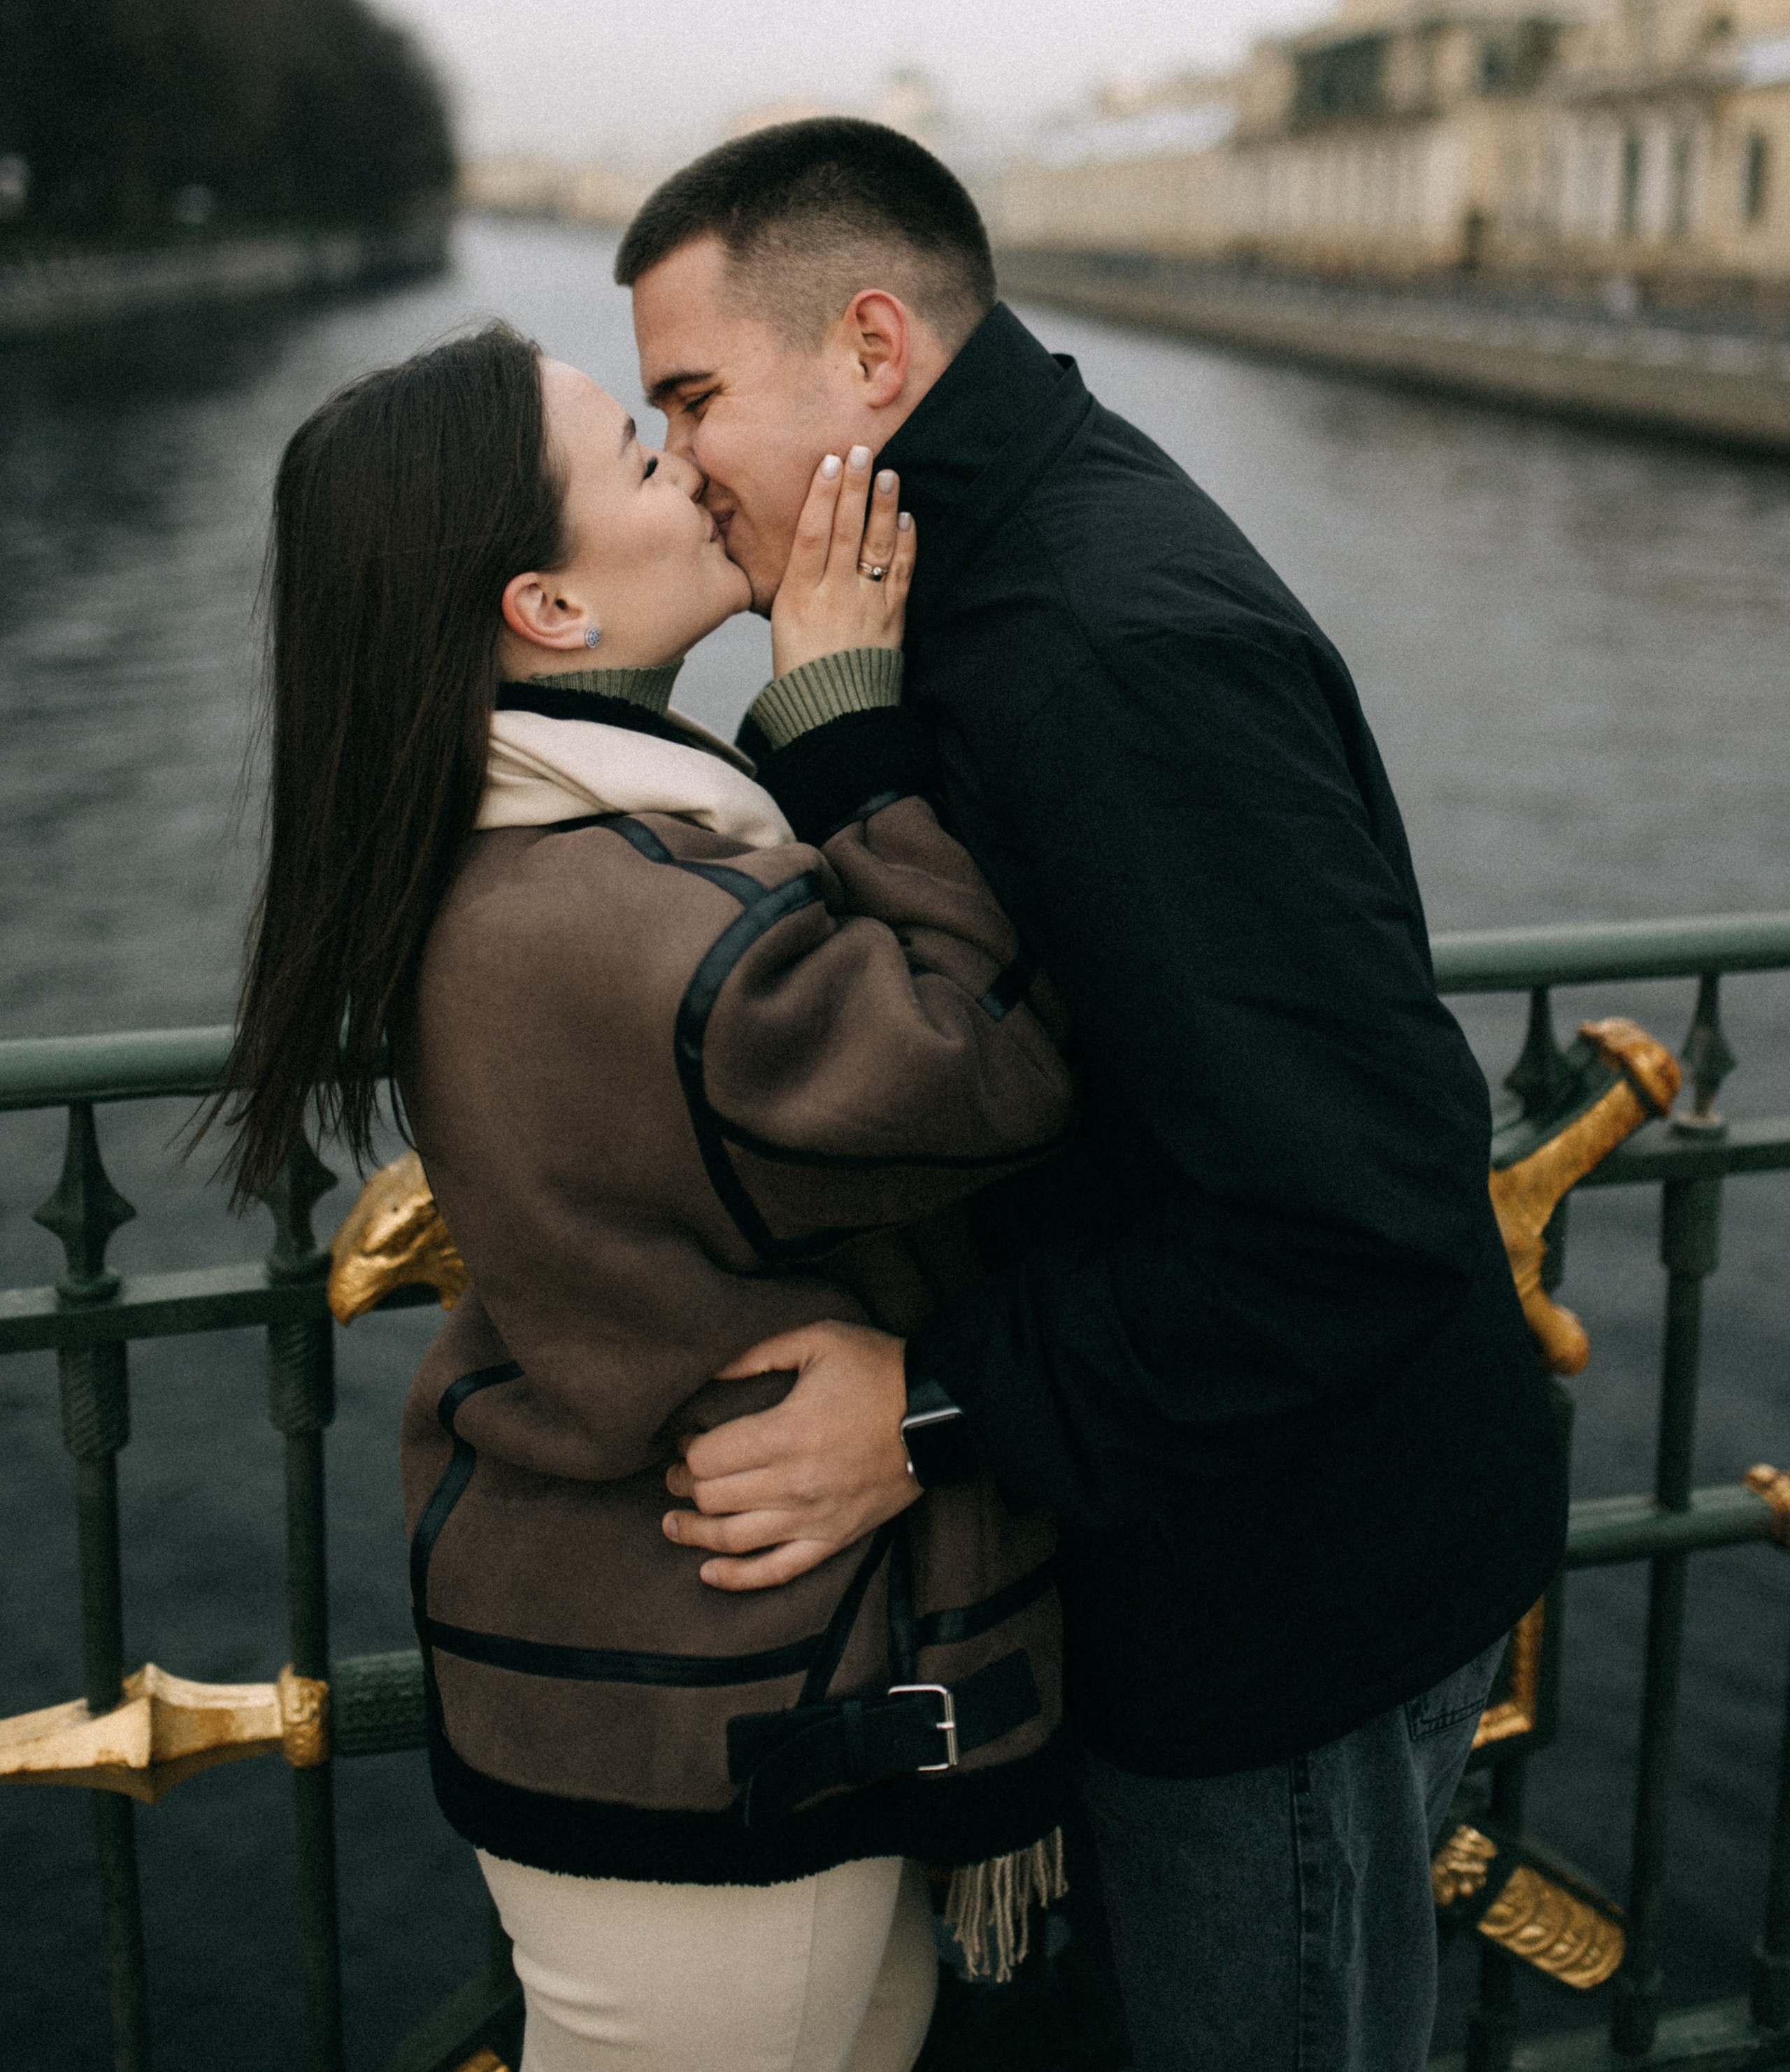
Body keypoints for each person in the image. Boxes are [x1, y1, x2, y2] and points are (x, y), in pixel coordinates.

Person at [618, 118, 1572, 2072]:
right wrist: (841, 741)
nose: (677, 459)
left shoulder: (1100, 649)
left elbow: (1352, 1212)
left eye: (691, 396)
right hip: (1224, 1544)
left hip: (1277, 1604)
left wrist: (933, 1407)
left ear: (870, 349)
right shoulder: (984, 578)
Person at [214, 321, 1080, 2072]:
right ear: (545, 607)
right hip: (714, 1701)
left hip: (672, 1669)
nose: (689, 465)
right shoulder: (605, 913)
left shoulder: (538, 846)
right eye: (635, 452)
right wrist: (850, 735)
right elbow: (983, 1066)